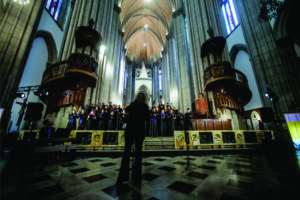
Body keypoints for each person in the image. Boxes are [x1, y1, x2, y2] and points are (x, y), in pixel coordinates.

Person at [117, 91, 150, 186]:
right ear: (144, 98)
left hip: (130, 130)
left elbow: (126, 112)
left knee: (126, 153)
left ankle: (123, 177)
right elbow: (148, 120)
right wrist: (146, 132)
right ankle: (136, 177)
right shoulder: (145, 107)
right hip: (139, 131)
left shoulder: (132, 105)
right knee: (138, 154)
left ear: (136, 98)